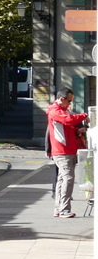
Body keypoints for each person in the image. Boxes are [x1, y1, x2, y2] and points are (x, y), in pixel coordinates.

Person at [47, 86, 89, 218]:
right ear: (62, 99)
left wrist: (77, 131)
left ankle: (59, 208)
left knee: (62, 179)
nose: (70, 104)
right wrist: (84, 115)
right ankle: (64, 209)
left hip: (65, 150)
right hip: (63, 151)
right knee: (68, 179)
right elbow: (68, 120)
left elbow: (67, 127)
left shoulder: (58, 111)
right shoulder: (55, 111)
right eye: (69, 101)